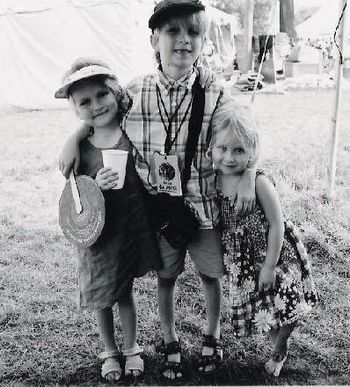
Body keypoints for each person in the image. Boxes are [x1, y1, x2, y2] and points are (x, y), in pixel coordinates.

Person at [58, 0, 256, 380]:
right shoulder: (135, 90)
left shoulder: (213, 88)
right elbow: (101, 115)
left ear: (203, 39)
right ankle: (169, 338)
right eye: (172, 32)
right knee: (167, 275)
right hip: (163, 211)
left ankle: (211, 336)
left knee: (210, 274)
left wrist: (249, 174)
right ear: (154, 39)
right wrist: (74, 136)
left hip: (205, 205)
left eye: (193, 32)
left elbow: (242, 135)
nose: (184, 41)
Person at [55, 58, 162, 382]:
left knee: (125, 292)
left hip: (128, 229)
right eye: (84, 102)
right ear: (75, 109)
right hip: (98, 236)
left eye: (102, 95)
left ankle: (131, 348)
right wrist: (93, 181)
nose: (96, 105)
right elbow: (73, 191)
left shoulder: (130, 131)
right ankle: (110, 352)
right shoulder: (80, 148)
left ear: (115, 92)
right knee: (102, 297)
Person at [207, 100, 318, 377]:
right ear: (211, 147)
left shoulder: (259, 182)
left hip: (273, 252)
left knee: (287, 300)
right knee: (263, 306)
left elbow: (277, 225)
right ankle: (276, 339)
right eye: (222, 148)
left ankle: (281, 346)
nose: (229, 157)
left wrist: (269, 265)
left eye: (239, 150)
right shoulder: (213, 178)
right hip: (242, 257)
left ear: (253, 151)